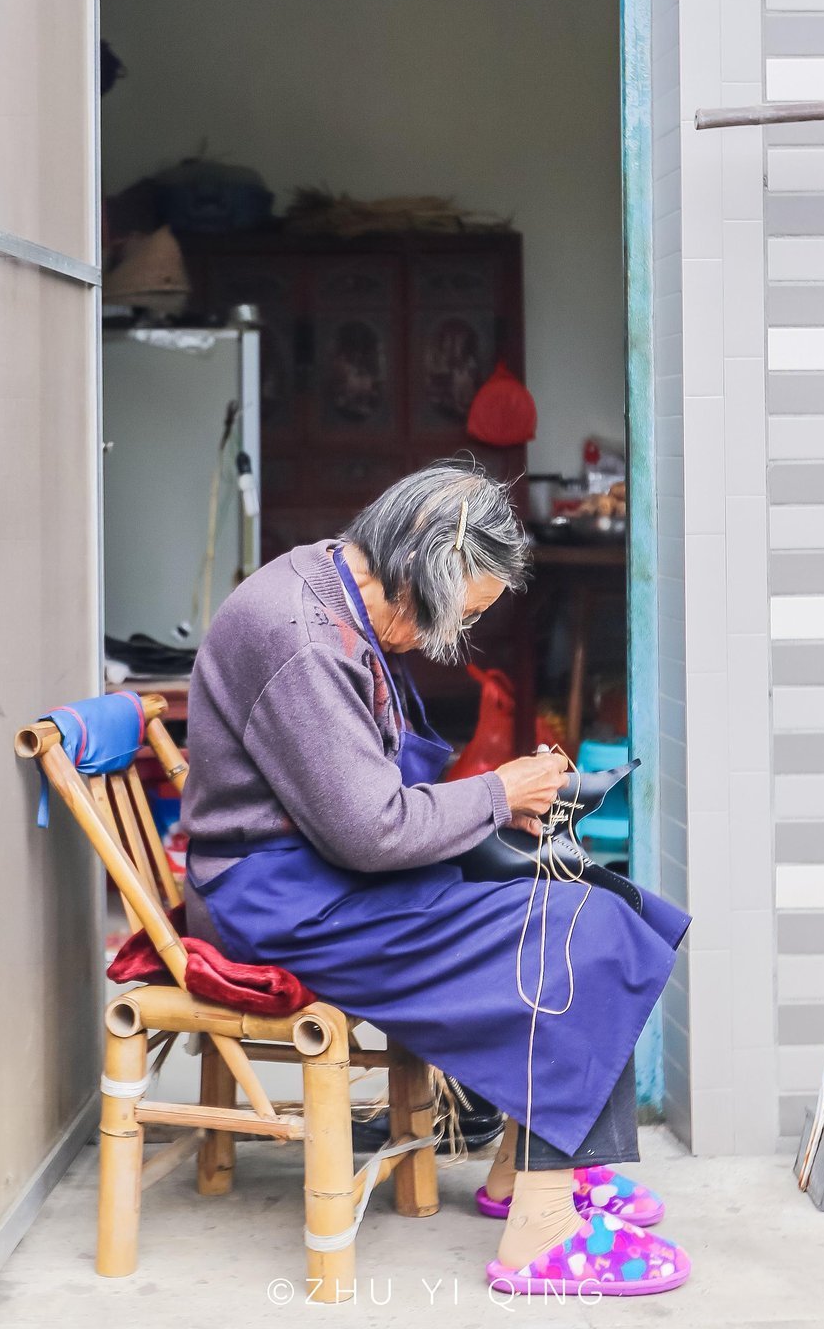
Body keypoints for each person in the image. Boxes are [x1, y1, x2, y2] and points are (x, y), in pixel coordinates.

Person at [181, 458, 692, 1296]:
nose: (456, 632)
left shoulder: (336, 586)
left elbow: (361, 808)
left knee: (583, 898)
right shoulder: (303, 638)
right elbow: (371, 830)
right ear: (423, 558)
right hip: (275, 900)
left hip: (314, 872)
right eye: (467, 607)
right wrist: (498, 792)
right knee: (574, 934)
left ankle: (527, 1167)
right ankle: (541, 1232)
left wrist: (497, 808)